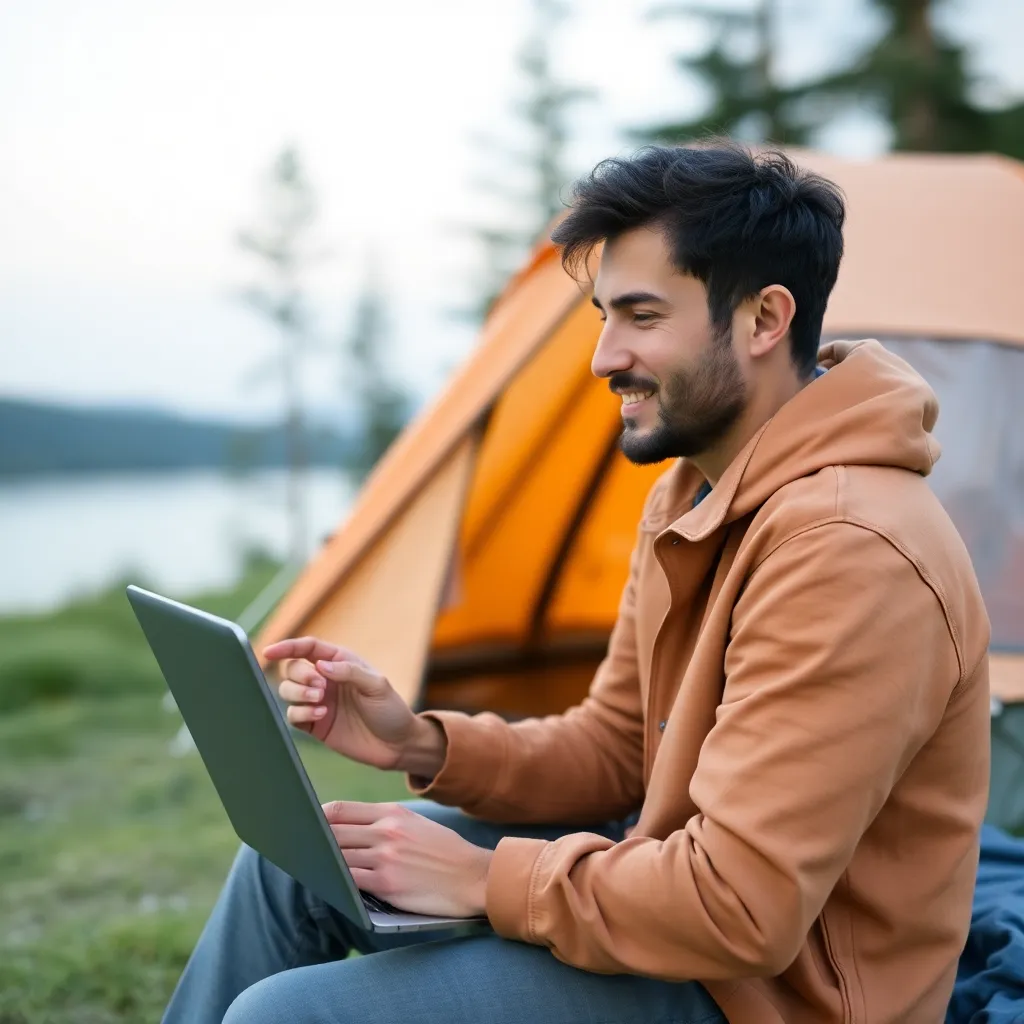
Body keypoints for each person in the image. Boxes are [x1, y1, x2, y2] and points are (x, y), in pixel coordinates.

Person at [163, 141, 990, 1024]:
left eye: (640, 315)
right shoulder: (696, 492)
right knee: (294, 864)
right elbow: (617, 750)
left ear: (763, 320)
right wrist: (422, 745)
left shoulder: (847, 547)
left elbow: (743, 908)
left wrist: (484, 879)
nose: (603, 357)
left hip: (773, 1000)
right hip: (680, 932)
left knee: (287, 1016)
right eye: (604, 316)